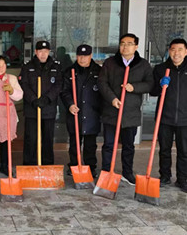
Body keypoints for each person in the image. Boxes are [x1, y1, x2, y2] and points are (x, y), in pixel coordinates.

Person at [98, 33, 153, 185]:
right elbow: (102, 83)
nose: (125, 46)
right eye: (123, 43)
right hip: (112, 111)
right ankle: (106, 173)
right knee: (109, 145)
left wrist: (134, 87)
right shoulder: (110, 63)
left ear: (136, 46)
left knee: (128, 146)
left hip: (130, 112)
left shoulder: (143, 65)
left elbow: (150, 84)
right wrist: (112, 99)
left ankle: (127, 172)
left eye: (129, 44)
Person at [151, 38, 187, 192]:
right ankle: (165, 176)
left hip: (185, 118)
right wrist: (160, 85)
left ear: (186, 52)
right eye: (173, 49)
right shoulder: (161, 69)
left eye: (180, 49)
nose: (176, 53)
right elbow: (153, 91)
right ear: (169, 51)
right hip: (164, 117)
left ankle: (182, 179)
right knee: (164, 149)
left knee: (184, 151)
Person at [19, 40, 63, 165]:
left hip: (48, 109)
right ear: (35, 52)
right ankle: (29, 165)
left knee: (47, 138)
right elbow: (24, 84)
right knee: (31, 139)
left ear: (49, 52)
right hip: (32, 109)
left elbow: (58, 85)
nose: (43, 54)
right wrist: (33, 99)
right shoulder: (27, 67)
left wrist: (47, 98)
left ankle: (47, 164)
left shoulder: (55, 67)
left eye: (45, 51)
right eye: (40, 51)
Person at [61, 44, 101, 178]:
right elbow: (64, 91)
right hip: (75, 113)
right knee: (74, 143)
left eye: (85, 56)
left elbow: (103, 91)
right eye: (79, 56)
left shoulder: (99, 71)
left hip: (92, 113)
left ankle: (90, 167)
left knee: (90, 144)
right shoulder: (69, 71)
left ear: (91, 56)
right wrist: (70, 104)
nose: (82, 59)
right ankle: (74, 165)